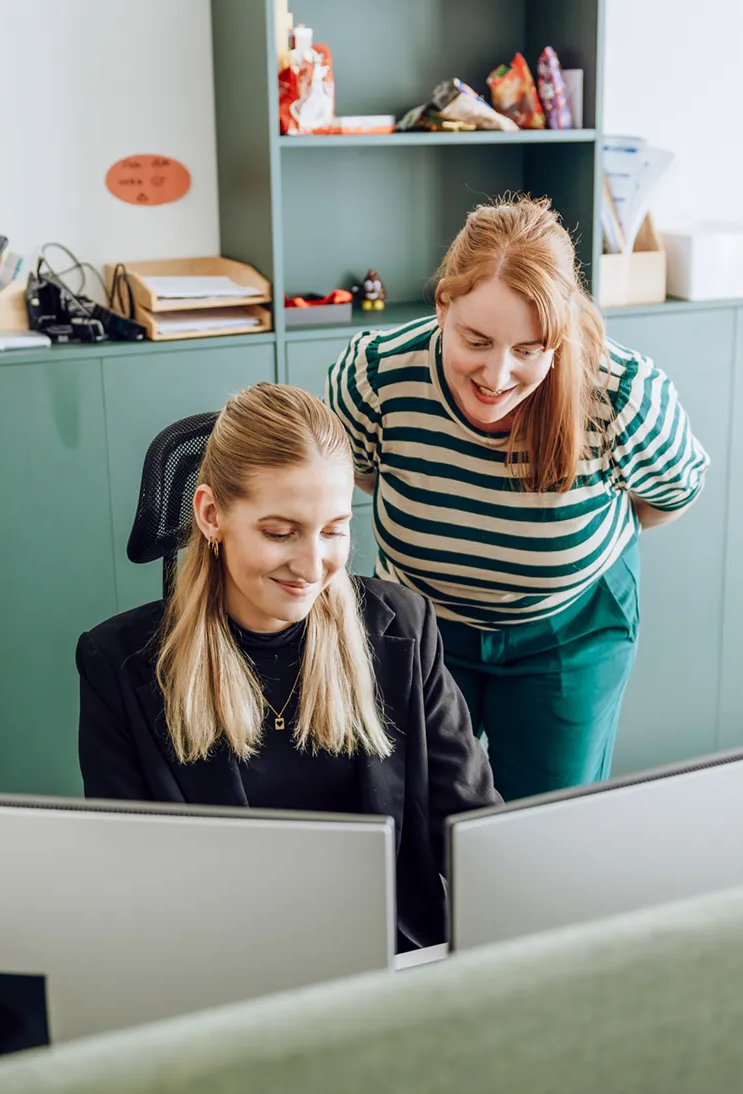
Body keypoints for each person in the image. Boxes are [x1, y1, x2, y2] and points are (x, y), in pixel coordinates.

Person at [77, 384, 500, 951]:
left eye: (334, 530)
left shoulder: (402, 627)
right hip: (222, 966)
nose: (311, 565)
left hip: (389, 963)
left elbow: (473, 827)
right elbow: (129, 880)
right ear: (210, 516)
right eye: (280, 533)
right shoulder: (119, 665)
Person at [327, 196, 709, 803]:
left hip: (568, 634)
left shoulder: (622, 397)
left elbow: (669, 496)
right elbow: (365, 476)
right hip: (421, 628)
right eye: (476, 340)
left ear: (557, 339)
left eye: (528, 350)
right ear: (442, 306)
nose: (497, 376)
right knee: (414, 811)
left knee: (544, 825)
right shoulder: (375, 376)